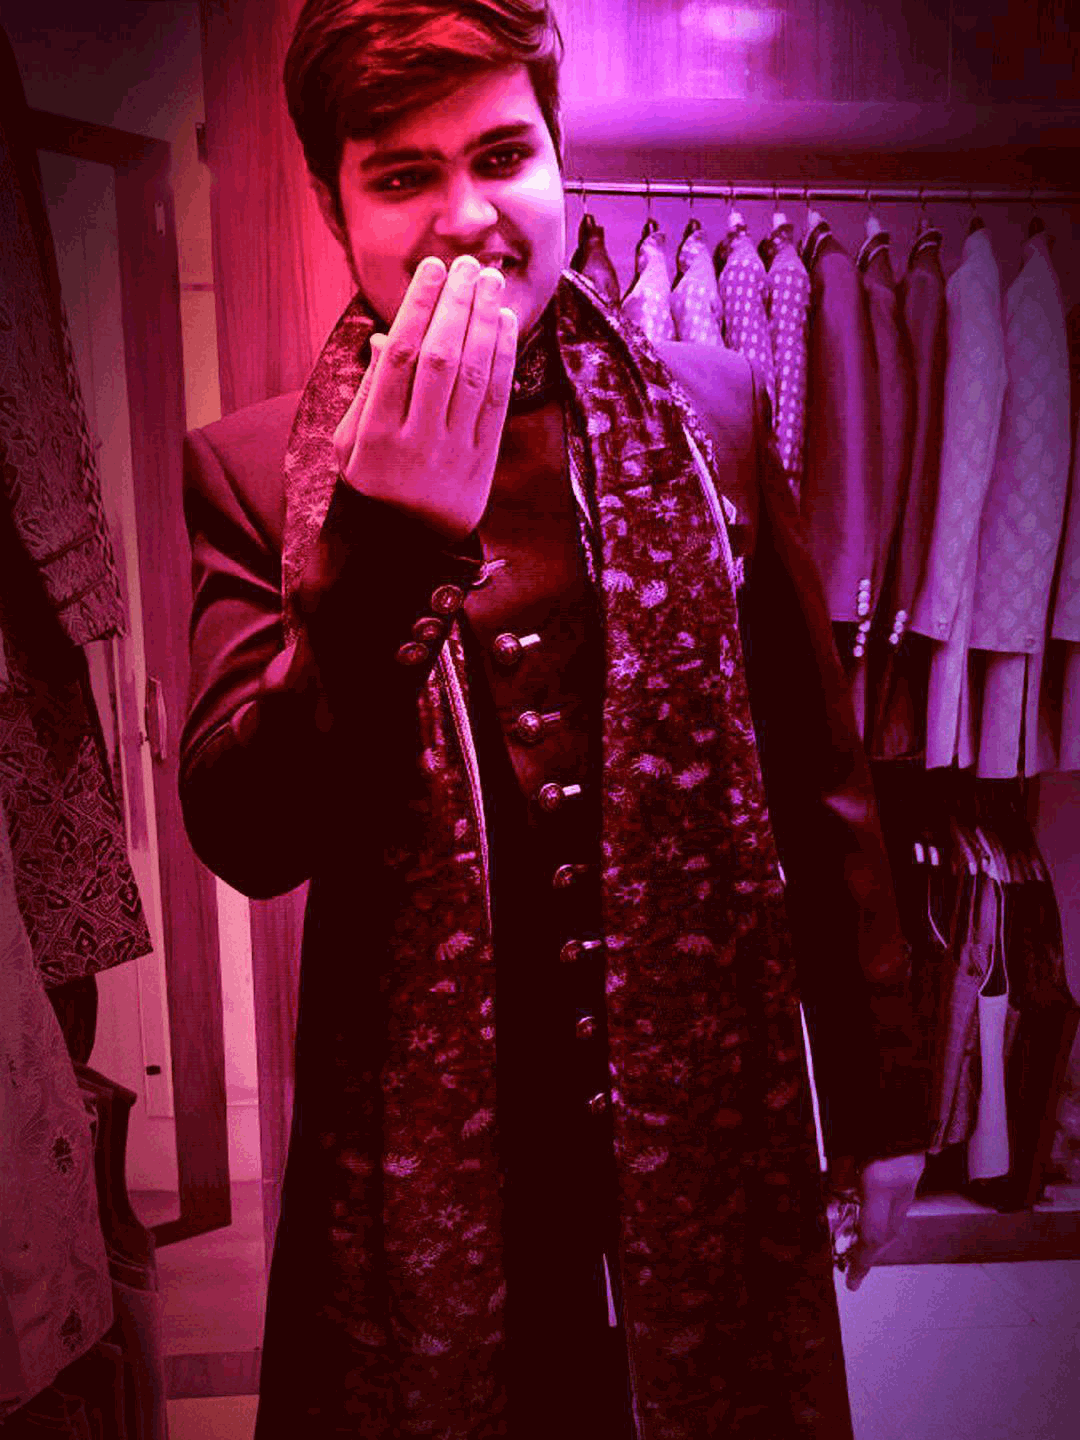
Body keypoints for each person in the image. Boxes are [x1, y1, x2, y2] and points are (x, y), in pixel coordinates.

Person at [179, 2, 930, 1435]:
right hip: (428, 1157)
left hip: (704, 1110)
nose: (468, 215)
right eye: (403, 175)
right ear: (335, 204)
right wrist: (385, 543)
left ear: (557, 155)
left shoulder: (712, 416)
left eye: (502, 155)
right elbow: (248, 832)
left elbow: (818, 774)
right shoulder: (254, 469)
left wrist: (882, 1103)